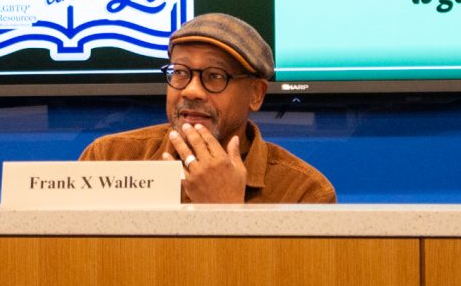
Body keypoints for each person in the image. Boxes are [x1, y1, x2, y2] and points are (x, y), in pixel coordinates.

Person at [80, 13, 336, 203]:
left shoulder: (304, 192)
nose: (191, 90)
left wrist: (225, 213)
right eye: (180, 72)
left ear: (256, 94)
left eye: (215, 76)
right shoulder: (109, 158)